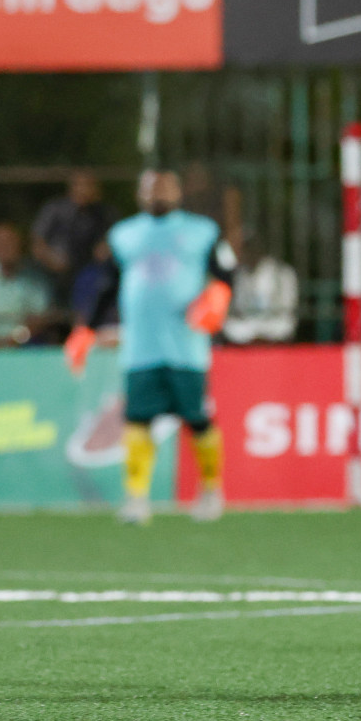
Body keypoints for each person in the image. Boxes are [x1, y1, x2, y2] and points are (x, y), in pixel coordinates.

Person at [64, 170, 234, 525]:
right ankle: (137, 498)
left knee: (198, 418)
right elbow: (106, 284)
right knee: (137, 419)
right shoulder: (125, 235)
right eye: (151, 186)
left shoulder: (203, 231)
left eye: (166, 186)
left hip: (187, 347)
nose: (158, 192)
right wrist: (86, 330)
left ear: (178, 191)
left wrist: (219, 296)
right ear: (140, 193)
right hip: (141, 347)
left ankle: (211, 491)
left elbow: (227, 272)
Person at [31, 170, 116, 298]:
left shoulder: (105, 214)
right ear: (71, 188)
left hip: (90, 275)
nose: (85, 190)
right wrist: (52, 259)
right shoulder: (54, 210)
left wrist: (106, 248)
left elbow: (114, 241)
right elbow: (37, 244)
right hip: (53, 276)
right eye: (80, 185)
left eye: (89, 185)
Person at [223, 234, 298, 344]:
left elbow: (288, 304)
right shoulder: (240, 273)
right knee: (231, 326)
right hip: (248, 322)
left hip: (274, 320)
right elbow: (239, 304)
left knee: (283, 325)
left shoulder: (281, 271)